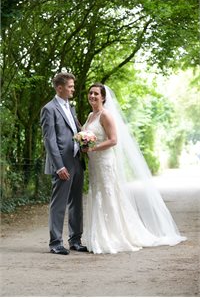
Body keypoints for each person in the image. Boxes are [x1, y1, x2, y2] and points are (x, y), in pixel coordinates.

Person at [82, 83, 186, 254]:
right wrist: (83, 140)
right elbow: (89, 136)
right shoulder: (90, 115)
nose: (92, 96)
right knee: (97, 193)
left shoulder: (105, 115)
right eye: (90, 93)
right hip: (94, 163)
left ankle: (112, 236)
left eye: (96, 94)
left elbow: (113, 140)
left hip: (105, 162)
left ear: (103, 97)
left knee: (108, 195)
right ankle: (98, 235)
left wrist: (93, 148)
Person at [40, 72, 87, 255]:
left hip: (76, 161)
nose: (73, 89)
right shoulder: (49, 109)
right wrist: (59, 166)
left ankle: (75, 240)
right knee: (58, 204)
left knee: (76, 203)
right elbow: (50, 140)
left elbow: (76, 131)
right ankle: (56, 243)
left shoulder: (71, 107)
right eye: (70, 86)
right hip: (62, 164)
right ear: (59, 88)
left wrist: (85, 141)